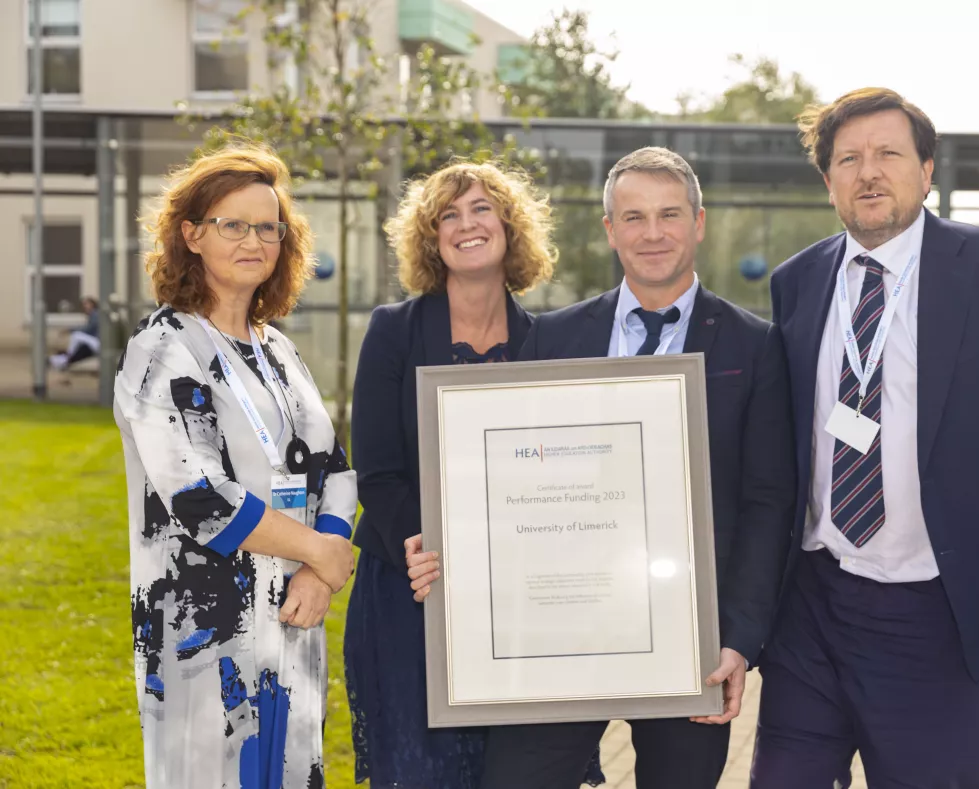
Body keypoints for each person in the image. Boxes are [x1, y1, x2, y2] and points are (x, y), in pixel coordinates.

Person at [410, 146, 796, 789]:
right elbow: (513, 481)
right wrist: (456, 553)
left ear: (699, 223)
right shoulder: (553, 338)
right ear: (610, 229)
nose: (653, 233)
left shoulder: (756, 348)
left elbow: (767, 502)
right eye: (634, 217)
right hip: (559, 633)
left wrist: (740, 638)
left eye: (669, 215)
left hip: (691, 640)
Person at [751, 87, 979, 788]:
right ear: (828, 180)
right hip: (812, 607)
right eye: (848, 159)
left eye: (888, 154)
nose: (868, 172)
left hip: (933, 614)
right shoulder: (799, 282)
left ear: (927, 169)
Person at [343, 161, 602, 789]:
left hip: (515, 593)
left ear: (511, 228)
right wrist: (428, 543)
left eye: (482, 209)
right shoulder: (393, 331)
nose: (466, 224)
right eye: (448, 216)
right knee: (419, 768)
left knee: (511, 767)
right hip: (412, 583)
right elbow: (374, 469)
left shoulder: (547, 341)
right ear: (431, 239)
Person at [113, 142, 357, 788]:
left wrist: (321, 563)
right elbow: (198, 498)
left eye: (268, 227)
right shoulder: (162, 350)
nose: (254, 240)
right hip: (202, 632)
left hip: (292, 619)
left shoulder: (279, 351)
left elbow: (333, 465)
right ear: (190, 235)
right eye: (233, 225)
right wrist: (321, 550)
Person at [50, 295, 100, 370]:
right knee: (78, 340)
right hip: (95, 342)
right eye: (83, 304)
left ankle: (68, 356)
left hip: (98, 343)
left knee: (76, 335)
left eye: (86, 304)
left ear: (92, 305)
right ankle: (63, 359)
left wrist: (69, 330)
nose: (84, 306)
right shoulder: (92, 315)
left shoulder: (95, 315)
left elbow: (87, 329)